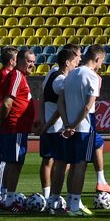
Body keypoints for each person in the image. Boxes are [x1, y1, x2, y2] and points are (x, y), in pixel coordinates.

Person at [57, 45, 105, 217]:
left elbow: (60, 102)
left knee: (72, 162)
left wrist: (67, 123)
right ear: (98, 59)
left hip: (69, 125)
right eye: (101, 62)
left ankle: (71, 202)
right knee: (80, 165)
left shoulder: (69, 75)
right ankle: (75, 204)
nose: (101, 66)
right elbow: (87, 107)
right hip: (83, 128)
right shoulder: (92, 76)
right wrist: (75, 125)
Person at [0, 48, 36, 207]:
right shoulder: (17, 76)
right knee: (15, 162)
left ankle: (7, 196)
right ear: (18, 60)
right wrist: (2, 119)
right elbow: (7, 102)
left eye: (33, 61)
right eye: (28, 61)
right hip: (15, 126)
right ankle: (10, 198)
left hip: (17, 126)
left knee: (12, 161)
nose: (32, 64)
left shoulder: (19, 76)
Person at [38, 48, 75, 209]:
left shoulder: (51, 75)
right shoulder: (61, 81)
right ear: (67, 62)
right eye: (75, 61)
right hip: (56, 129)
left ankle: (49, 196)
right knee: (61, 163)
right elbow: (61, 107)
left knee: (49, 161)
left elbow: (43, 99)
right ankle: (53, 197)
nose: (77, 64)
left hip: (49, 127)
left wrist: (43, 121)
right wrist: (46, 124)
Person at [0, 47, 17, 205]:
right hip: (2, 121)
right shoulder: (5, 76)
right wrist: (0, 119)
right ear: (12, 61)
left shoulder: (4, 75)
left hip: (3, 120)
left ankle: (2, 192)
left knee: (6, 157)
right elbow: (1, 101)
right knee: (3, 157)